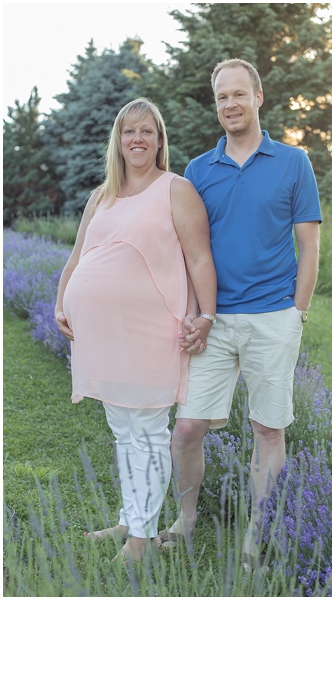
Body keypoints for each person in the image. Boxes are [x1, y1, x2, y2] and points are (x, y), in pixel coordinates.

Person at [162, 59, 323, 567]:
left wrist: (297, 312)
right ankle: (186, 520)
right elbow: (188, 251)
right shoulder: (197, 171)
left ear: (258, 97)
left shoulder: (293, 162)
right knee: (187, 429)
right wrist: (195, 313)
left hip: (273, 317)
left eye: (238, 94)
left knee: (268, 430)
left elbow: (309, 245)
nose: (230, 104)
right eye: (221, 97)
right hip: (213, 320)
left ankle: (257, 531)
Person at [55, 98, 217, 561]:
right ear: (119, 140)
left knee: (146, 428)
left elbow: (199, 258)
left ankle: (142, 538)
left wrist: (205, 316)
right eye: (129, 131)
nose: (138, 139)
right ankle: (131, 518)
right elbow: (78, 255)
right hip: (102, 333)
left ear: (160, 140)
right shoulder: (101, 196)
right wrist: (61, 303)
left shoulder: (175, 189)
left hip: (150, 330)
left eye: (147, 131)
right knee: (123, 430)